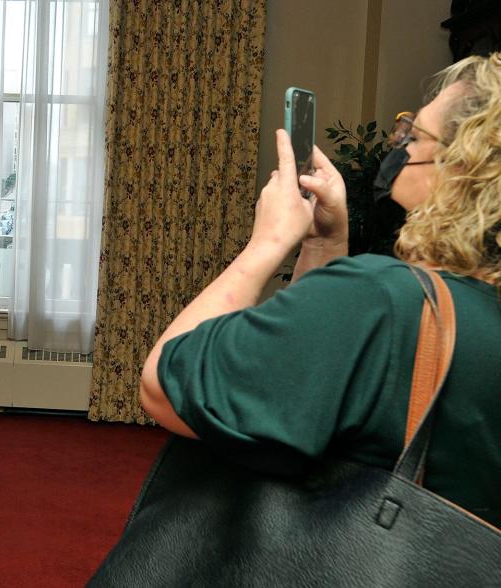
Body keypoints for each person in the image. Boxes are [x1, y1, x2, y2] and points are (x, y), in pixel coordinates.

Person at [140, 53, 501, 527]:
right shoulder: (469, 306)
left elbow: (166, 386)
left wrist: (269, 242)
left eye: (416, 136)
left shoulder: (382, 300)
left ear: (464, 166)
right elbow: (309, 375)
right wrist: (326, 241)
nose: (402, 147)